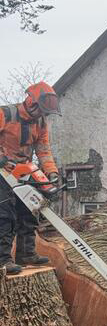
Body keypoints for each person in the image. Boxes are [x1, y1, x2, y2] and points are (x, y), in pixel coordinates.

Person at [0, 82, 61, 274]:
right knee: (4, 215)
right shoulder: (6, 113)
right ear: (31, 101)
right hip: (2, 171)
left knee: (30, 209)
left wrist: (51, 172)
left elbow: (43, 150)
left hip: (23, 170)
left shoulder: (41, 122)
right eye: (41, 111)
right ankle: (2, 260)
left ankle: (26, 253)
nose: (42, 115)